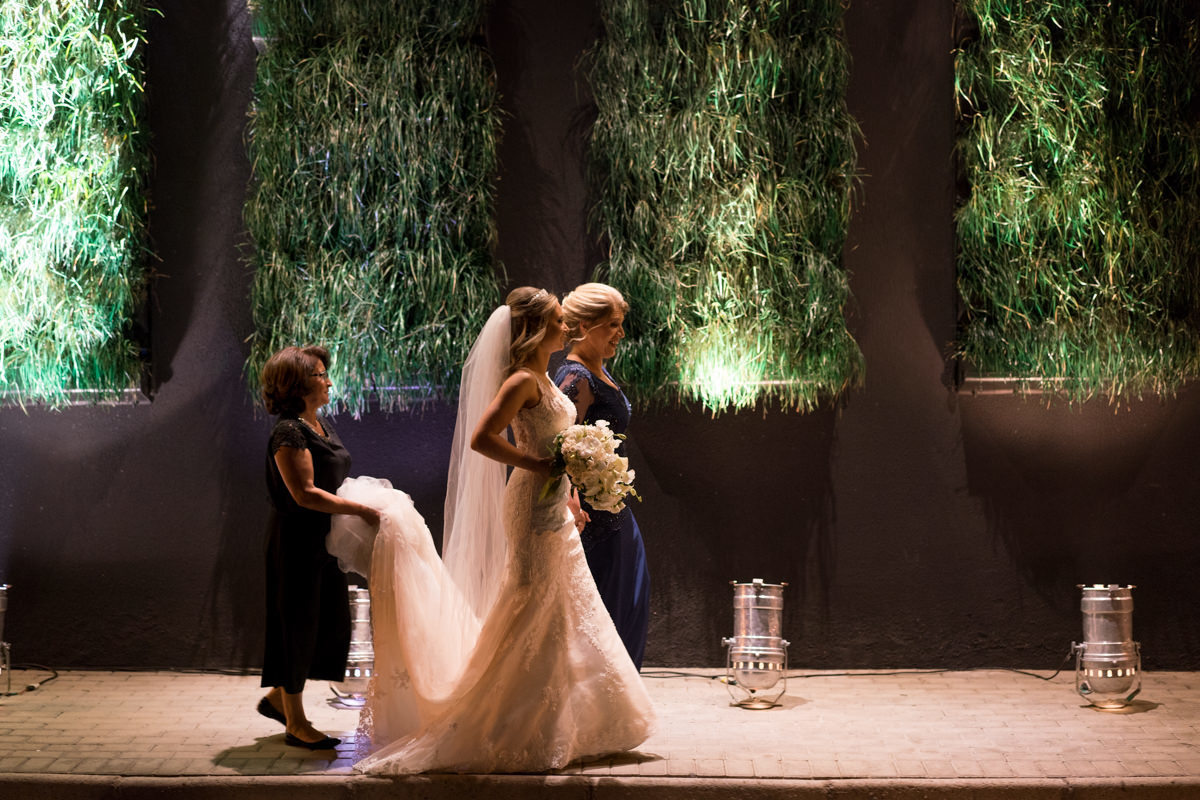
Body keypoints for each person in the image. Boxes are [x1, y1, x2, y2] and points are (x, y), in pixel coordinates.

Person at [329, 287, 654, 773]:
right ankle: (505, 714)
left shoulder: (545, 378)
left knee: (564, 601)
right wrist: (537, 464)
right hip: (528, 501)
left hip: (553, 504)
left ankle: (571, 718)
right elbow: (483, 437)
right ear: (536, 329)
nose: (566, 329)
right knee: (529, 598)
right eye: (558, 323)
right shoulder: (521, 380)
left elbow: (562, 440)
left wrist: (569, 486)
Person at [258, 345, 380, 750]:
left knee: (326, 626)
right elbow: (305, 494)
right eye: (319, 375)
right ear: (296, 383)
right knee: (296, 625)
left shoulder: (319, 425)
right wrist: (362, 510)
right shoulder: (289, 431)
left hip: (324, 543)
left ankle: (278, 698)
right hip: (296, 541)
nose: (329, 381)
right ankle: (295, 722)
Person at [554, 283, 651, 669]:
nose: (621, 334)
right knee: (606, 613)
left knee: (631, 602)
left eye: (621, 324)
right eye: (612, 324)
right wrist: (570, 501)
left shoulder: (599, 371)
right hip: (594, 520)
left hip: (616, 510)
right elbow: (554, 445)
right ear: (584, 325)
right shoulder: (575, 379)